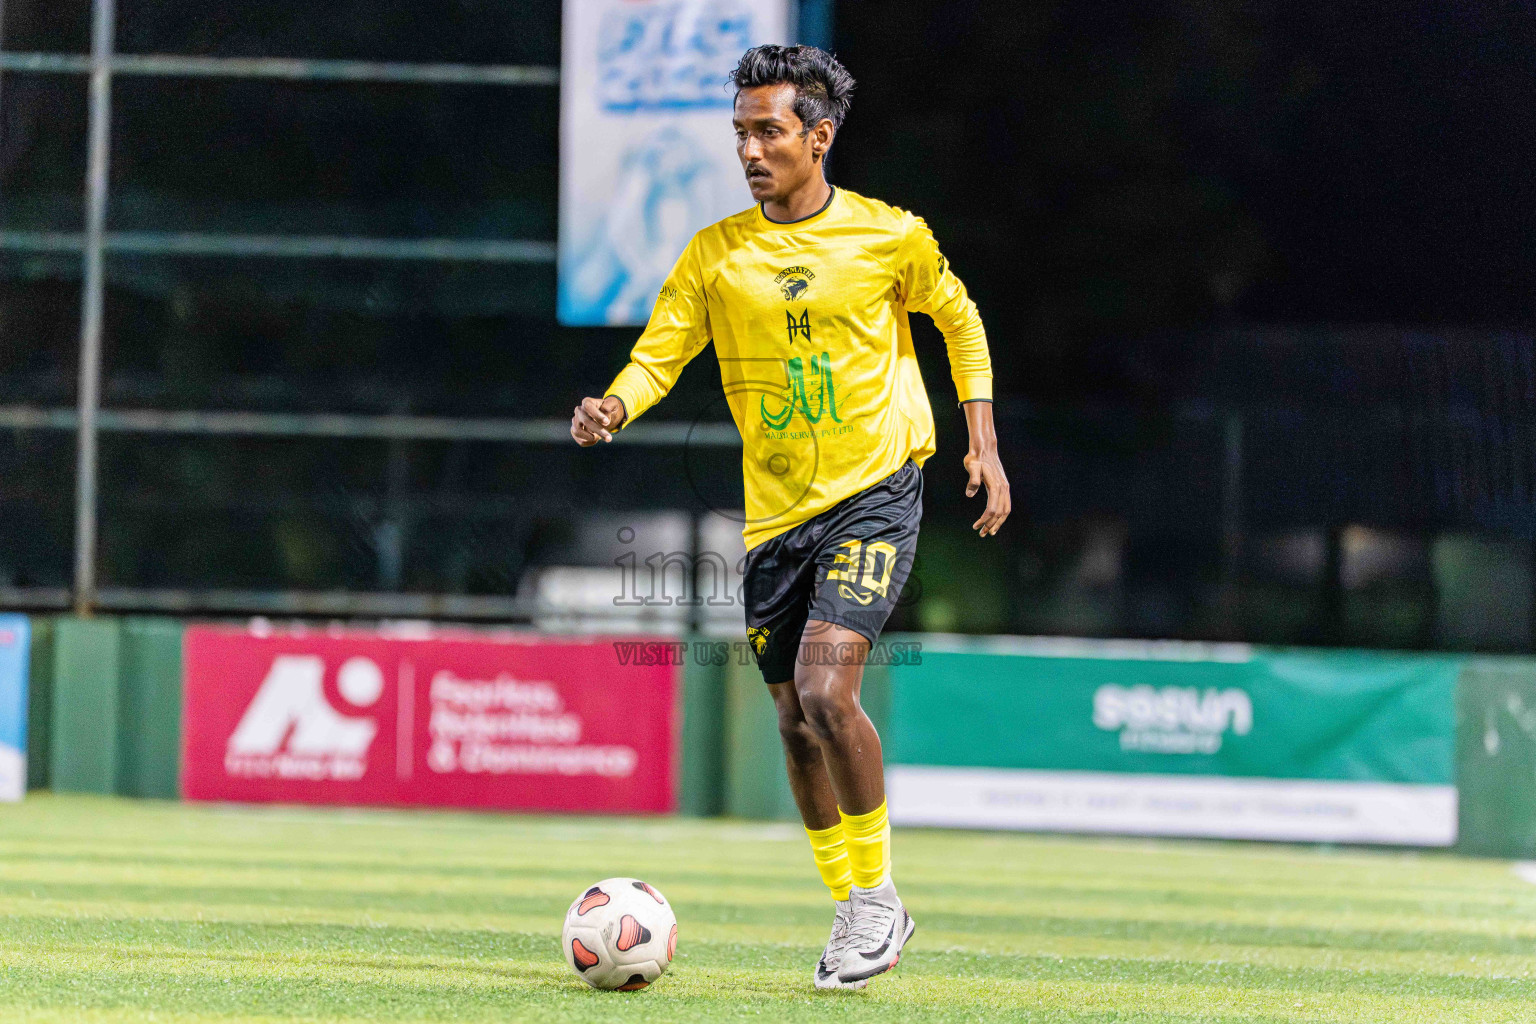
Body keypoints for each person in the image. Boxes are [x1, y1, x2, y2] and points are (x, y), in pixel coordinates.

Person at [571, 43, 1009, 989]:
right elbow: (659, 354)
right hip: (776, 520)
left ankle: (878, 903)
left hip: (878, 489)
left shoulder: (891, 237)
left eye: (769, 131)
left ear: (820, 136)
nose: (750, 150)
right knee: (790, 722)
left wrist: (982, 438)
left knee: (824, 691)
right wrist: (614, 404)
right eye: (741, 132)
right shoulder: (716, 255)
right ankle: (856, 903)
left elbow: (959, 317)